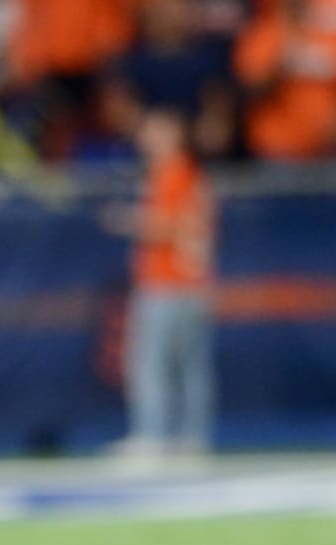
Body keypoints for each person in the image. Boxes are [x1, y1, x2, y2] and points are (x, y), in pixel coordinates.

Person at [103, 108, 217, 458]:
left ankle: (153, 436)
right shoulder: (186, 172)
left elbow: (166, 225)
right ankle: (192, 436)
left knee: (152, 363)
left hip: (167, 282)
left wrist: (126, 220)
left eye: (154, 129)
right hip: (190, 282)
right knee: (188, 365)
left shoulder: (172, 172)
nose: (146, 137)